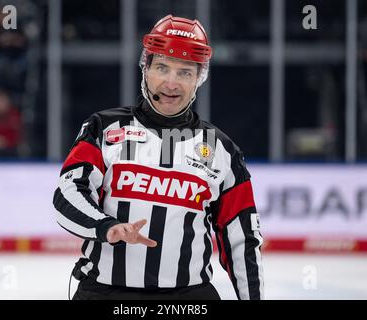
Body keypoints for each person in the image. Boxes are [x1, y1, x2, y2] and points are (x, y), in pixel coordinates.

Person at [53, 14, 264, 300]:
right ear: (145, 69)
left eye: (185, 72)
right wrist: (106, 226)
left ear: (198, 79)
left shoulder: (221, 150)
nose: (171, 83)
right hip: (105, 293)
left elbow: (243, 239)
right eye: (162, 67)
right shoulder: (104, 129)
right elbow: (67, 193)